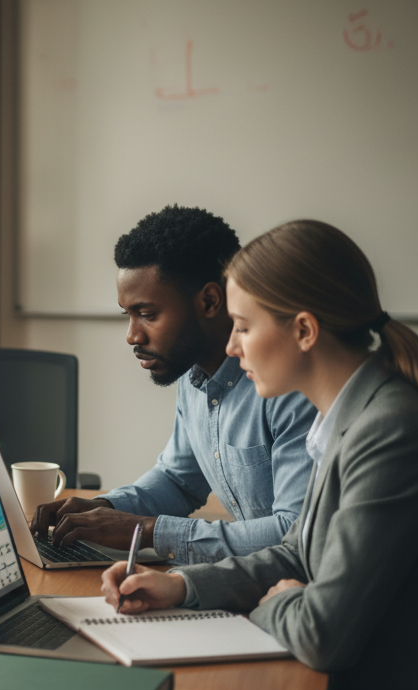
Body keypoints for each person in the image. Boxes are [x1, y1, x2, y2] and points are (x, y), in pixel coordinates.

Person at [102, 220, 418, 690]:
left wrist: (277, 601)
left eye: (243, 327)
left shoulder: (389, 434)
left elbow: (321, 633)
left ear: (303, 331)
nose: (231, 346)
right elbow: (298, 551)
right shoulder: (348, 418)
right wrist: (181, 586)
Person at [31, 205, 316, 564]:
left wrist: (148, 531)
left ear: (209, 301)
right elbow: (179, 481)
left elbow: (294, 533)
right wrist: (104, 508)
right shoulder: (192, 375)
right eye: (129, 315)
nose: (133, 336)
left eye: (147, 315)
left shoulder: (288, 386)